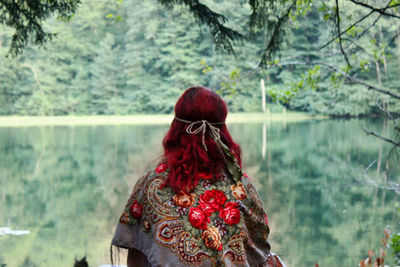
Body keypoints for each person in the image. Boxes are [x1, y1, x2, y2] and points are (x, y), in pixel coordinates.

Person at [111, 86, 285, 267]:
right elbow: (260, 254)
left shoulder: (152, 185)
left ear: (176, 128)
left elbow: (136, 259)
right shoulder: (241, 186)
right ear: (222, 132)